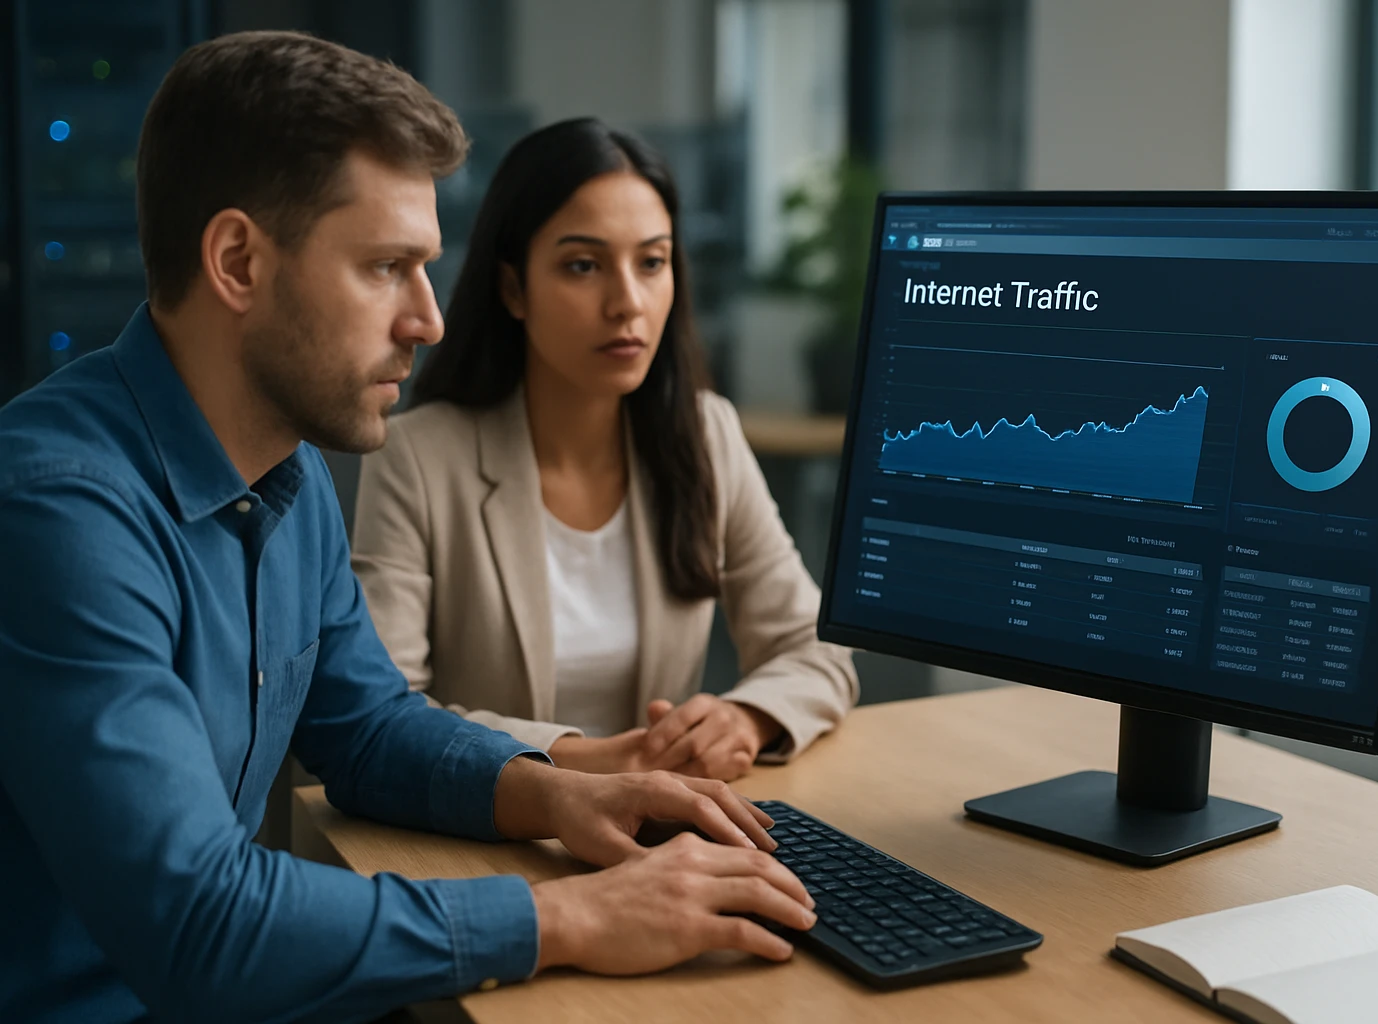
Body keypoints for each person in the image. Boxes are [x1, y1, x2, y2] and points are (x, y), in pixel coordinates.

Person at [0, 32, 817, 1024]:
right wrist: (564, 917)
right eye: (387, 267)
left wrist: (562, 794)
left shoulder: (282, 469)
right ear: (238, 262)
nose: (427, 318)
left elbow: (371, 729)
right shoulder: (55, 508)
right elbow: (199, 926)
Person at [350, 119, 858, 782]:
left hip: (661, 834)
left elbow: (814, 651)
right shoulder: (418, 458)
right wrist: (582, 761)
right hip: (491, 837)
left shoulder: (706, 436)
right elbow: (386, 714)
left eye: (652, 262)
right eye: (583, 266)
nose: (628, 303)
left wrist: (746, 717)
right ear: (512, 289)